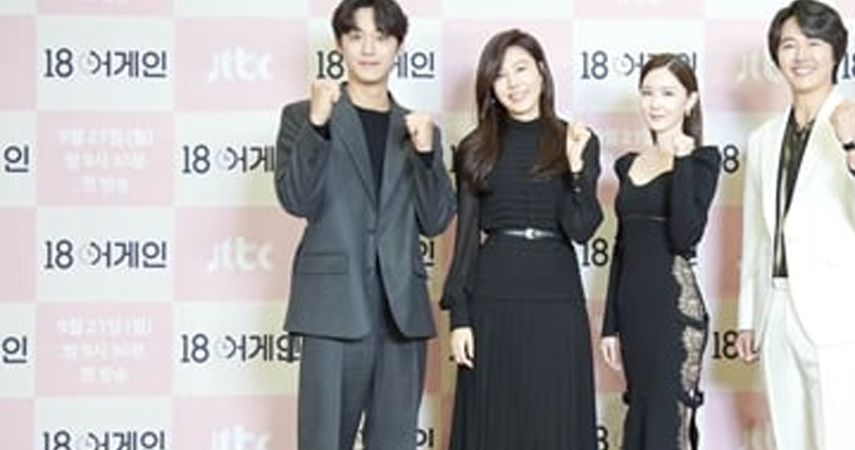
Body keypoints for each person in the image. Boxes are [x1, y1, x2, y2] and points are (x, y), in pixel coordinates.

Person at [272, 0, 455, 449]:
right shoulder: (303, 116)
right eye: (356, 36)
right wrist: (318, 125)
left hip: (401, 314)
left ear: (399, 46)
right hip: (332, 308)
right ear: (340, 44)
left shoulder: (418, 129)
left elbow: (436, 220)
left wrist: (426, 157)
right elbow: (296, 199)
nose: (369, 49)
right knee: (323, 440)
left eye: (381, 37)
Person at [734, 1, 855, 448]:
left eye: (814, 43)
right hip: (777, 308)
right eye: (790, 45)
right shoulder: (763, 139)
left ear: (835, 52)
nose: (801, 55)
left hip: (838, 310)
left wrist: (853, 148)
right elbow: (756, 237)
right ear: (776, 56)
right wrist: (749, 316)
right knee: (790, 439)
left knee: (840, 438)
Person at [440, 28, 603, 450]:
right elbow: (465, 242)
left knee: (554, 423)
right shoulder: (474, 148)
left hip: (557, 300)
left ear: (542, 71)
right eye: (500, 75)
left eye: (521, 68)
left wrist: (575, 170)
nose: (513, 83)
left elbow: (582, 228)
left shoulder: (576, 139)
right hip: (493, 301)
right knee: (495, 423)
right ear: (490, 87)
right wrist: (460, 318)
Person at [598, 53, 721, 450]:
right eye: (648, 93)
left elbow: (686, 235)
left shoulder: (703, 161)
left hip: (674, 313)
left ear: (690, 101)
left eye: (668, 93)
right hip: (634, 315)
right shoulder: (627, 166)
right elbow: (621, 247)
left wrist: (681, 162)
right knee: (639, 422)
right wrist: (610, 325)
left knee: (668, 427)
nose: (655, 103)